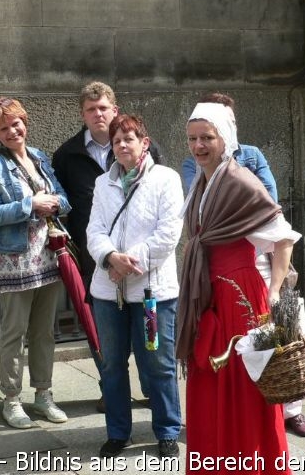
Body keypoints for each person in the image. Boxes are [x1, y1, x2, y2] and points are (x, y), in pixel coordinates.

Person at [177, 102, 301, 474]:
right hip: (213, 291)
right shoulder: (203, 180)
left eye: (207, 138)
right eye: (193, 139)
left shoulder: (240, 181)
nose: (199, 146)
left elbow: (283, 239)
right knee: (212, 381)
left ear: (224, 138)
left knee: (243, 387)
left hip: (240, 296)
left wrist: (275, 291)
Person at [52, 81, 160, 411]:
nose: (98, 114)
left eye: (103, 108)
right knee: (104, 331)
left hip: (142, 261)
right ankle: (111, 389)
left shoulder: (144, 149)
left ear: (115, 109)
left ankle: (150, 386)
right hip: (95, 257)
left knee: (147, 329)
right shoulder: (67, 155)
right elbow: (64, 207)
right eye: (90, 109)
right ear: (82, 114)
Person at [86, 114, 183, 459]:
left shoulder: (166, 179)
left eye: (130, 138)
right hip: (107, 293)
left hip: (151, 293)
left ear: (144, 141)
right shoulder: (102, 184)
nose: (122, 145)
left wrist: (128, 262)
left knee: (157, 362)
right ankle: (118, 432)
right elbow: (94, 231)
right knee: (111, 364)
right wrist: (111, 257)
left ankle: (168, 430)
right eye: (116, 141)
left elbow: (168, 234)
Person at [0, 97, 71, 429]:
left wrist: (55, 203)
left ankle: (43, 395)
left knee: (44, 331)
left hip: (48, 256)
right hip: (14, 261)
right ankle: (11, 399)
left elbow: (64, 199)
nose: (12, 131)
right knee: (13, 333)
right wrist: (29, 204)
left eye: (16, 123)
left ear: (25, 123)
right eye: (3, 128)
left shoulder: (40, 157)